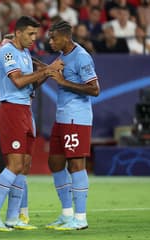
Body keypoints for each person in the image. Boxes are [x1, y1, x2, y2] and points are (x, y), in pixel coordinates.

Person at [0, 16, 64, 232]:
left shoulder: (26, 54)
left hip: (25, 110)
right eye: (30, 33)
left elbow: (32, 84)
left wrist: (48, 73)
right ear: (17, 33)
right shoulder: (7, 52)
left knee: (24, 166)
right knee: (15, 164)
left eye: (35, 34)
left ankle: (12, 218)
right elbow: (17, 81)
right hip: (11, 110)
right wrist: (46, 70)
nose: (33, 38)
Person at [45, 20, 100, 230]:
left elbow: (94, 89)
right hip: (62, 118)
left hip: (77, 118)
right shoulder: (62, 57)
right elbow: (54, 72)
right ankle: (67, 215)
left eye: (54, 38)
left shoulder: (81, 57)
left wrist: (63, 82)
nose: (50, 41)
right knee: (55, 163)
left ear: (66, 38)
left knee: (76, 165)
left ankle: (80, 218)